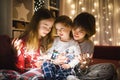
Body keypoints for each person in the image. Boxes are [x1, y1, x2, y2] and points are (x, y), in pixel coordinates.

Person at [67, 12, 117, 80]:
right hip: (65, 69)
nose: (76, 33)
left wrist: (83, 65)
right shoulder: (66, 38)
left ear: (87, 31)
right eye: (74, 28)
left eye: (81, 31)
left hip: (79, 72)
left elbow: (83, 70)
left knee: (110, 67)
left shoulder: (89, 44)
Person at [12, 8, 55, 73]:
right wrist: (17, 53)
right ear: (36, 23)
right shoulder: (23, 42)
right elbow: (20, 69)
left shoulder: (47, 41)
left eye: (50, 28)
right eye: (45, 26)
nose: (48, 30)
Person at [41, 15, 81, 80]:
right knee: (46, 63)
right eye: (57, 29)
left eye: (62, 29)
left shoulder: (74, 43)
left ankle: (64, 77)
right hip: (55, 63)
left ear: (70, 28)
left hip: (66, 66)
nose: (59, 31)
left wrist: (69, 65)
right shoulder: (55, 40)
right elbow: (52, 53)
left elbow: (77, 58)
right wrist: (54, 60)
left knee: (65, 73)